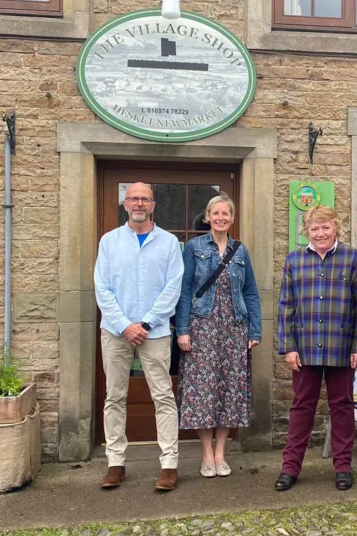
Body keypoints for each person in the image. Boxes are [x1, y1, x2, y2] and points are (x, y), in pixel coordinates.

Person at [94, 182, 184, 492]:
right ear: (125, 203)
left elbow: (173, 287)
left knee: (163, 397)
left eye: (145, 199)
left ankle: (169, 464)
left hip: (155, 331)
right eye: (134, 198)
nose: (139, 203)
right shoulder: (109, 241)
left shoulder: (169, 243)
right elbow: (101, 288)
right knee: (114, 397)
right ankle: (115, 463)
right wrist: (124, 325)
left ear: (153, 205)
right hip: (116, 332)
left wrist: (145, 322)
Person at [275, 206, 357, 492]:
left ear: (335, 227)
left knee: (342, 407)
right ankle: (290, 468)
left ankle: (343, 466)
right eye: (314, 228)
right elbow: (286, 307)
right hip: (305, 348)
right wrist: (289, 347)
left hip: (342, 347)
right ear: (307, 232)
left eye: (325, 227)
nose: (320, 233)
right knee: (302, 407)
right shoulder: (294, 261)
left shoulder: (354, 260)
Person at [174, 195, 261, 478]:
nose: (221, 217)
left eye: (226, 213)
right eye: (216, 213)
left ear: (232, 218)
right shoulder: (194, 247)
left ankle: (221, 453)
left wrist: (254, 329)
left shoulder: (241, 251)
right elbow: (185, 290)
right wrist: (183, 329)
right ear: (208, 216)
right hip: (202, 327)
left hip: (234, 327)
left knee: (229, 391)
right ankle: (206, 454)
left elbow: (250, 292)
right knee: (203, 391)